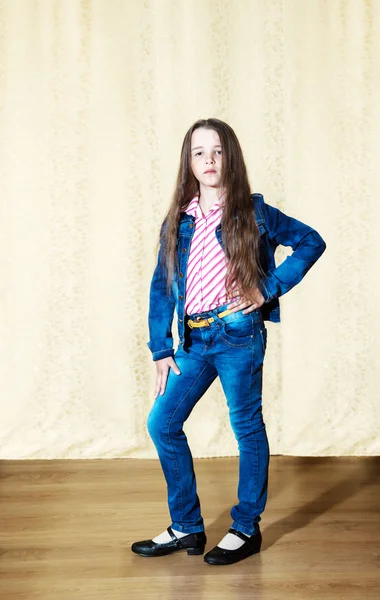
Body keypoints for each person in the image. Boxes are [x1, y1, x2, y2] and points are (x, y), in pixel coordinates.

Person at [131, 118, 326, 565]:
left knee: (246, 428)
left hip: (239, 336)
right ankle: (186, 527)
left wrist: (268, 287)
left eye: (217, 151)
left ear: (230, 156)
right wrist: (161, 348)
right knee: (162, 424)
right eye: (199, 153)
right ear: (189, 162)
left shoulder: (254, 212)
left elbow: (310, 242)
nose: (209, 160)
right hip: (195, 341)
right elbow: (162, 284)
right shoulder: (179, 220)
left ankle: (245, 527)